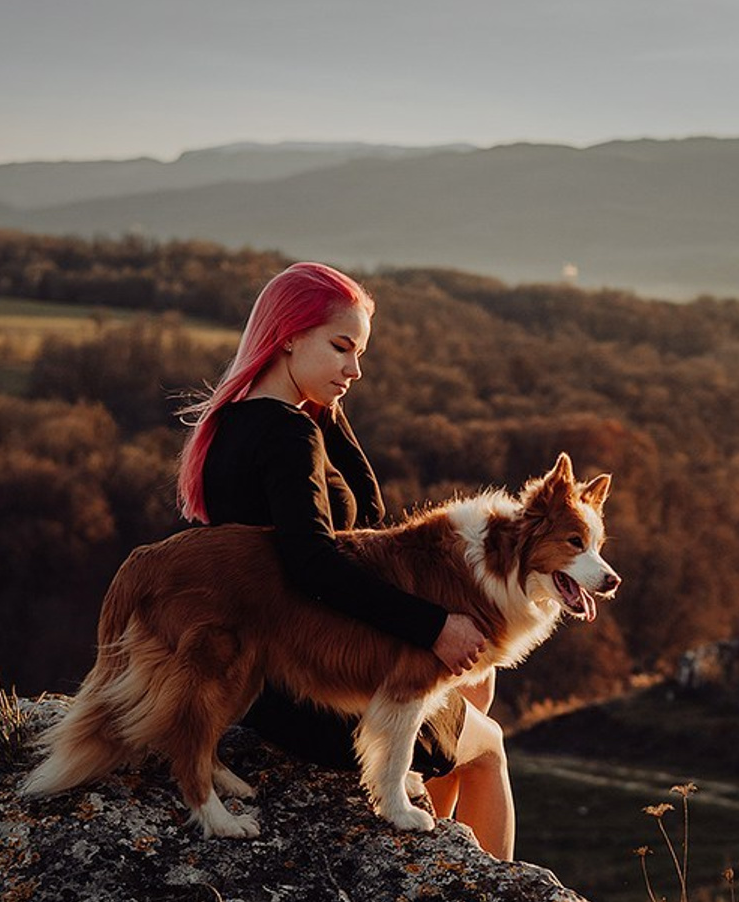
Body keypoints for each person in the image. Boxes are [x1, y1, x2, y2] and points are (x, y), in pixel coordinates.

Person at [176, 261, 515, 859]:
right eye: (341, 348)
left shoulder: (235, 420)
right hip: (311, 689)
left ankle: (418, 836)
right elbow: (313, 564)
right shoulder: (287, 437)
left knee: (477, 679)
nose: (354, 370)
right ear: (288, 336)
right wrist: (434, 624)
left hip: (281, 661)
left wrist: (326, 405)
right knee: (488, 747)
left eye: (358, 353)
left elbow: (369, 511)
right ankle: (485, 892)